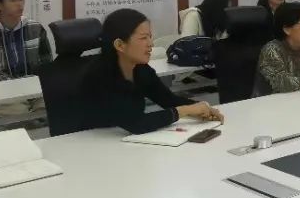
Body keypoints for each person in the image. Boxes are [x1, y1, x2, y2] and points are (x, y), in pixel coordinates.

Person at [75, 8, 222, 134]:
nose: (151, 44)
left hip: (123, 140)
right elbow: (136, 123)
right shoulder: (99, 75)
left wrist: (203, 109)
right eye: (143, 38)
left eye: (150, 37)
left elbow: (169, 100)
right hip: (90, 143)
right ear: (120, 45)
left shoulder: (141, 69)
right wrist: (186, 111)